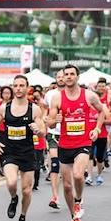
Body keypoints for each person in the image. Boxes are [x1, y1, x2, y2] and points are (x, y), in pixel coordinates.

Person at [47, 64, 105, 221]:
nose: (69, 77)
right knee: (66, 186)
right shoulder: (57, 98)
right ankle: (74, 216)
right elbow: (50, 124)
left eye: (72, 74)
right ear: (63, 78)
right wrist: (54, 121)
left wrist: (97, 129)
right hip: (64, 144)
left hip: (83, 143)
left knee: (78, 175)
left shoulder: (89, 96)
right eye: (66, 74)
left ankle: (78, 201)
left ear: (77, 77)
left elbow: (102, 112)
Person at [0, 75, 46, 221]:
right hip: (9, 152)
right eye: (15, 85)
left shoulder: (34, 109)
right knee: (11, 182)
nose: (18, 88)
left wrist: (38, 131)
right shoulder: (4, 108)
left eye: (22, 85)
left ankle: (23, 215)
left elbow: (43, 131)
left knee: (27, 190)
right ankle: (14, 198)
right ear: (13, 87)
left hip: (28, 152)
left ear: (27, 87)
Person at [44, 70, 64, 209]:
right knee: (55, 164)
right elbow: (45, 109)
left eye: (63, 76)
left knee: (68, 169)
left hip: (70, 135)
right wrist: (46, 120)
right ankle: (55, 196)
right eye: (59, 77)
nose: (61, 79)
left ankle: (74, 195)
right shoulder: (50, 94)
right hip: (53, 133)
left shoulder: (76, 94)